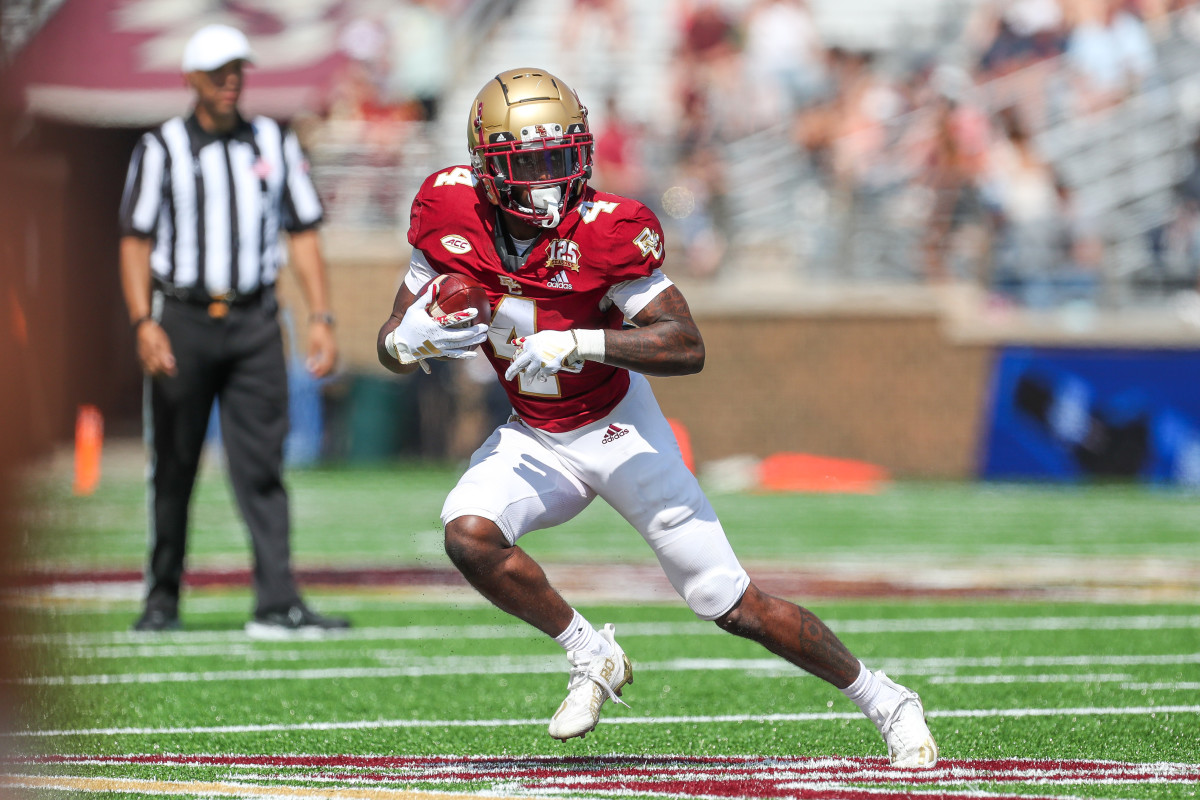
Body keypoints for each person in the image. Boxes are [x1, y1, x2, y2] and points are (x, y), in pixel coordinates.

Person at [376, 68, 937, 766]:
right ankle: (593, 653)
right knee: (468, 535)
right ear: (487, 169)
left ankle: (887, 699)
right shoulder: (446, 209)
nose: (551, 184)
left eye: (561, 159)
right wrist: (404, 343)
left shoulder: (612, 227)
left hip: (616, 425)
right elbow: (394, 334)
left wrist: (584, 340)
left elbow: (686, 344)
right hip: (536, 434)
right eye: (530, 167)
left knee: (732, 604)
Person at [119, 24, 349, 637]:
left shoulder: (270, 140)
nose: (231, 81)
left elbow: (302, 231)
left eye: (238, 70)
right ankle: (162, 599)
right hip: (184, 319)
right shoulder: (162, 147)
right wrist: (143, 321)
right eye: (219, 71)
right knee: (174, 463)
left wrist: (321, 316)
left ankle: (277, 602)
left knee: (262, 464)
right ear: (192, 78)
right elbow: (135, 241)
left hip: (254, 320)